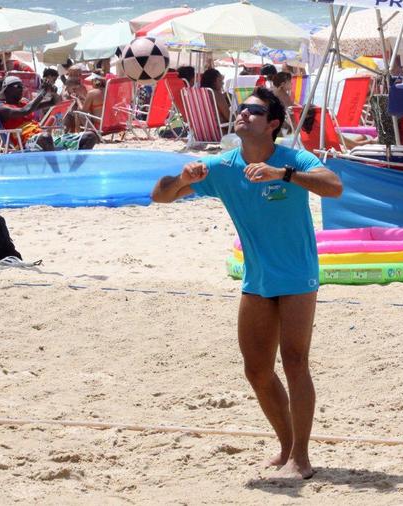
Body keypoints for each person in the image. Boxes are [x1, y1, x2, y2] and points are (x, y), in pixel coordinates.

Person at [151, 87, 342, 480]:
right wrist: (180, 178)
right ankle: (287, 445)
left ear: (273, 123)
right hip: (257, 276)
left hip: (297, 273)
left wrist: (283, 175)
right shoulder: (222, 166)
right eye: (240, 109)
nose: (242, 114)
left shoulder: (292, 158)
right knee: (256, 369)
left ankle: (301, 458)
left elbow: (334, 186)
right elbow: (160, 197)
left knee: (294, 361)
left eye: (253, 111)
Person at [0, 76, 97, 152]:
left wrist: (52, 92)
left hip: (43, 137)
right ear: (7, 90)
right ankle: (55, 172)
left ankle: (74, 171)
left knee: (90, 137)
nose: (21, 88)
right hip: (26, 143)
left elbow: (54, 102)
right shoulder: (2, 108)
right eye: (17, 86)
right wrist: (43, 91)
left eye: (22, 86)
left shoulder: (24, 103)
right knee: (45, 137)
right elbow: (24, 111)